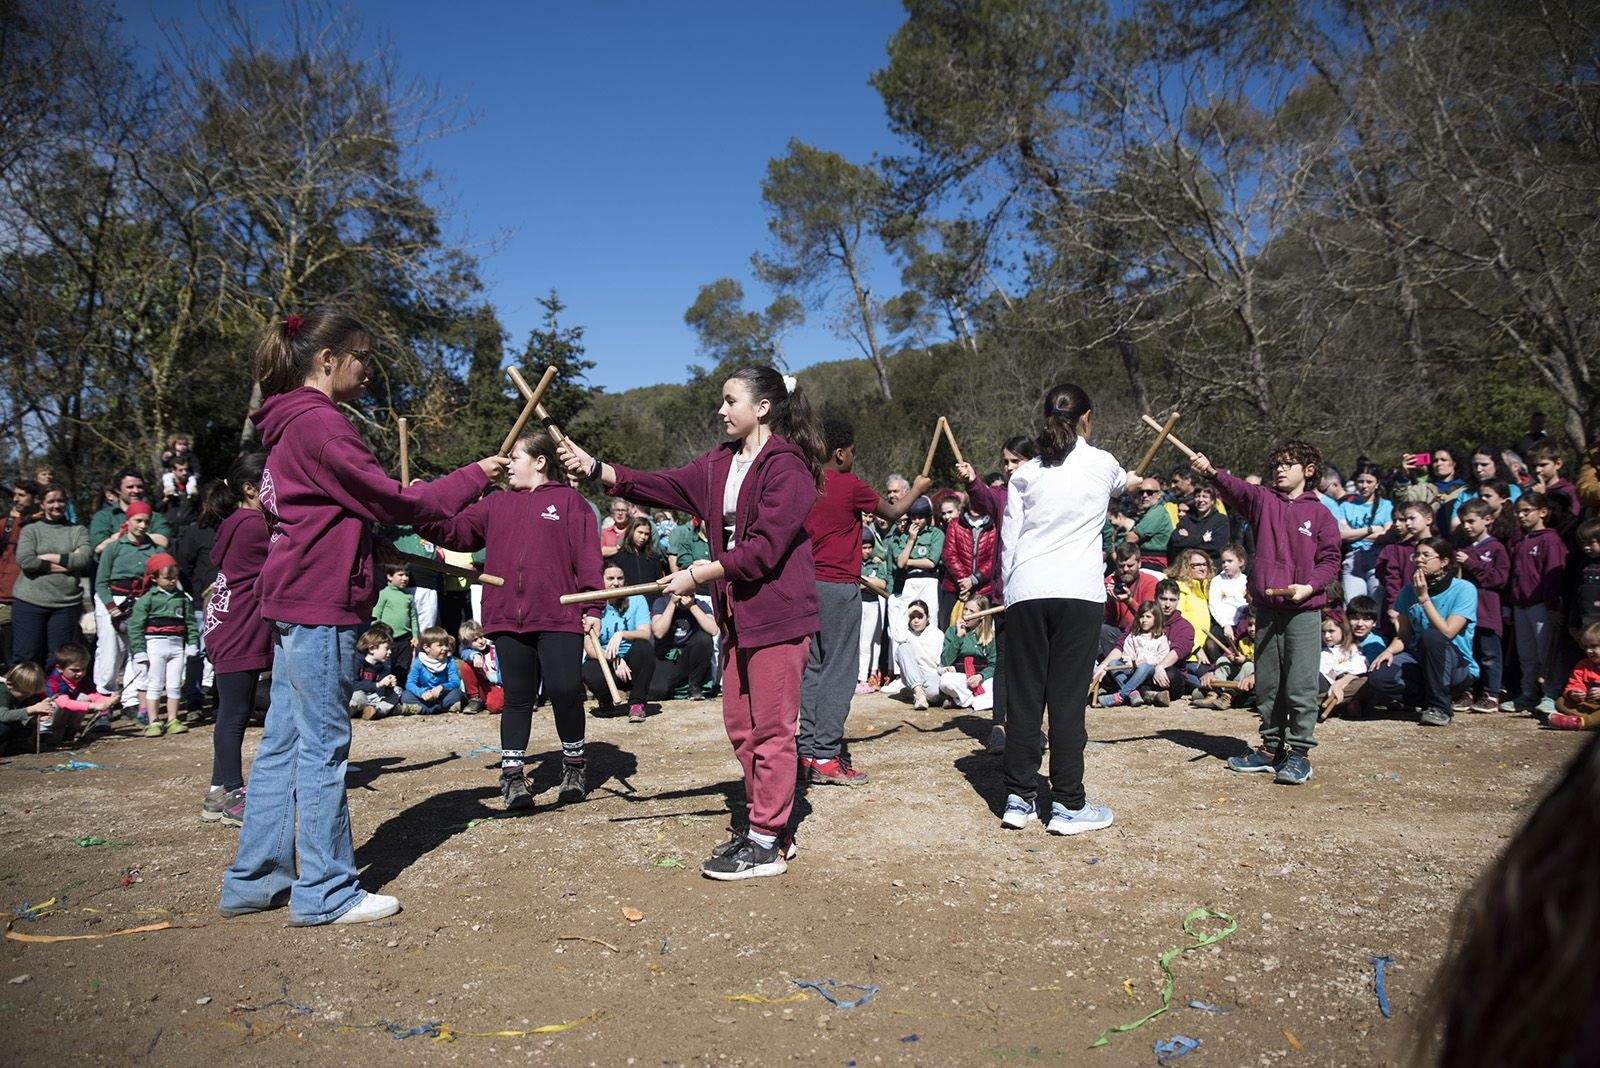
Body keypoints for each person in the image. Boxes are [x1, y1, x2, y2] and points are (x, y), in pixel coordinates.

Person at [221, 308, 505, 927]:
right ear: (328, 360)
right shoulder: (321, 427)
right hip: (319, 604)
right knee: (324, 746)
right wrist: (473, 477)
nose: (370, 370)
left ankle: (255, 878)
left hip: (298, 596)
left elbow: (322, 513)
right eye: (363, 357)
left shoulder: (289, 427)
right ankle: (324, 889)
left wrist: (365, 543)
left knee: (282, 745)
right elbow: (393, 499)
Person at [558, 365, 824, 880]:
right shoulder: (720, 463)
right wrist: (596, 468)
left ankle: (768, 839)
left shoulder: (787, 468)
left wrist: (703, 572)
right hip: (737, 615)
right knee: (740, 726)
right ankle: (766, 826)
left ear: (762, 408)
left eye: (730, 401)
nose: (721, 411)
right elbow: (662, 485)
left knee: (772, 729)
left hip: (778, 613)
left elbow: (767, 549)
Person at [416, 431, 602, 809]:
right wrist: (415, 513)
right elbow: (452, 531)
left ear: (539, 462)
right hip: (506, 616)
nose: (507, 464)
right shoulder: (495, 504)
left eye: (514, 457)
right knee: (517, 696)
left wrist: (593, 609)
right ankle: (514, 776)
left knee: (566, 689)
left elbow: (587, 558)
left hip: (559, 612)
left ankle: (575, 765)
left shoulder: (570, 502)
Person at [997, 382, 1138, 836]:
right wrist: (1128, 482)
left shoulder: (1025, 474)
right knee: (1066, 698)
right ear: (1087, 418)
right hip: (1077, 592)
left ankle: (1018, 798)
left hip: (1026, 588)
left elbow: (1009, 541)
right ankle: (1068, 804)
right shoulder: (1103, 463)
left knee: (1024, 696)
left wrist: (1008, 592)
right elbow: (1123, 483)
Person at [1190, 439, 1340, 785]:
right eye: (1277, 464)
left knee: (1300, 685)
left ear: (1310, 471)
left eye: (1289, 464)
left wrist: (1310, 586)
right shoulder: (1263, 501)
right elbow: (1237, 488)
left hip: (1303, 611)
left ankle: (1299, 753)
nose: (1280, 469)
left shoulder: (1321, 514)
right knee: (1269, 683)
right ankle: (1271, 749)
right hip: (1267, 611)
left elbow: (1330, 560)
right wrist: (1211, 472)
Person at [797, 418, 930, 786]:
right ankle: (825, 756)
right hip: (839, 588)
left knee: (813, 670)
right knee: (840, 671)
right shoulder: (848, 483)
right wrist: (916, 488)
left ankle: (807, 751)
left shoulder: (803, 483)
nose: (854, 457)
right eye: (853, 451)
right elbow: (889, 513)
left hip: (807, 587)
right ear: (840, 453)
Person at [201, 453, 273, 825]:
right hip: (238, 630)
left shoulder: (237, 522)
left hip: (227, 626)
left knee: (235, 710)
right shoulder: (252, 526)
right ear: (250, 488)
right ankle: (232, 791)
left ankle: (216, 791)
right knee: (234, 714)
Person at [955, 434, 1038, 755]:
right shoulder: (1001, 496)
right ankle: (1000, 725)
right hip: (1004, 593)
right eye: (1005, 462)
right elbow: (981, 499)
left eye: (1016, 461)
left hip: (1039, 591)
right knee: (1004, 660)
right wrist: (973, 480)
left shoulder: (1047, 493)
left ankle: (1030, 725)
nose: (1008, 467)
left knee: (1033, 663)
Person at [1364, 537, 1479, 726]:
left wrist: (1424, 598)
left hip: (1456, 667)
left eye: (1426, 555)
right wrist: (1388, 651)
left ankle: (1440, 708)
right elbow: (1404, 635)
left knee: (1432, 636)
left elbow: (1448, 632)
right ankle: (1428, 700)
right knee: (1379, 676)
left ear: (1444, 562)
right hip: (1419, 661)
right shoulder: (1408, 590)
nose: (1419, 559)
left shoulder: (1464, 589)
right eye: (1416, 555)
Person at [10, 487, 90, 669]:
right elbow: (26, 561)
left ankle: (54, 696)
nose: (56, 505)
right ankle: (25, 697)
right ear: (42, 503)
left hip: (65, 605)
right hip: (29, 602)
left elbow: (83, 559)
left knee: (58, 659)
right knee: (26, 656)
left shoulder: (77, 531)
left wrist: (46, 557)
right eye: (51, 501)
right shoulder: (31, 530)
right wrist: (68, 562)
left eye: (61, 501)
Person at [95, 499, 162, 714]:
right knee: (111, 651)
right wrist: (111, 607)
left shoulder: (154, 548)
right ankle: (104, 698)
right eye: (138, 520)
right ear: (128, 520)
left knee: (138, 651)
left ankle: (132, 700)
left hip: (141, 602)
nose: (142, 526)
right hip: (113, 599)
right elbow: (101, 581)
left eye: (146, 521)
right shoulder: (114, 547)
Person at [1507, 491, 1568, 715]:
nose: (1521, 516)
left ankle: (1551, 694)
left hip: (1542, 605)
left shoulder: (1550, 540)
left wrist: (1552, 606)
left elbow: (1553, 577)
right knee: (1527, 654)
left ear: (1542, 512)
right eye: (1518, 512)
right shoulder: (1522, 541)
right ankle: (1527, 693)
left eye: (1526, 511)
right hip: (1521, 605)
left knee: (1547, 652)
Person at [128, 553, 198, 737]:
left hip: (176, 646)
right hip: (154, 646)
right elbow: (135, 627)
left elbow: (190, 623)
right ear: (154, 578)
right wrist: (139, 651)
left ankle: (173, 719)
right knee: (155, 684)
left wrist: (193, 643)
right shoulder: (147, 599)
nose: (172, 581)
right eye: (167, 578)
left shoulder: (183, 598)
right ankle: (153, 721)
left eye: (175, 577)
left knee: (175, 684)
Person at [1454, 499, 1510, 713]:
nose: (1466, 526)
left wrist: (1470, 563)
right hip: (1465, 613)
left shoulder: (1496, 548)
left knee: (1489, 655)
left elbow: (1499, 579)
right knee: (1467, 654)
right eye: (1463, 522)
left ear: (1487, 520)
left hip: (1487, 611)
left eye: (1470, 521)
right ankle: (1468, 692)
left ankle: (1492, 694)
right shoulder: (1464, 548)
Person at [583, 562, 656, 722]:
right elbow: (589, 648)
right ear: (601, 580)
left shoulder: (637, 599)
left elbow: (645, 633)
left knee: (644, 648)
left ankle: (637, 704)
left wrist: (621, 634)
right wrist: (615, 659)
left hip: (632, 663)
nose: (615, 583)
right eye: (610, 578)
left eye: (620, 578)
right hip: (604, 660)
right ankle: (606, 701)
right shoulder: (591, 606)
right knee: (588, 669)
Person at [1092, 600, 1168, 708]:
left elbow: (1162, 656)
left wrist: (1147, 661)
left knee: (1145, 667)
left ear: (1156, 619)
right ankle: (1133, 694)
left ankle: (1120, 696)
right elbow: (1127, 655)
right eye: (1142, 616)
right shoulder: (1133, 636)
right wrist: (1133, 662)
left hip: (1150, 670)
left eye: (1148, 617)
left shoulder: (1161, 638)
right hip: (1133, 668)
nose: (1144, 620)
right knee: (1113, 663)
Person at [1336, 461, 1393, 604]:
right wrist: (1371, 529)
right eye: (1360, 481)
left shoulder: (1386, 506)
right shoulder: (1345, 506)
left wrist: (1354, 534)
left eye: (1369, 481)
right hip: (1352, 560)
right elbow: (1342, 535)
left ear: (1377, 483)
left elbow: (1387, 535)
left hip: (1377, 561)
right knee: (1352, 605)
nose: (1364, 485)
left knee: (1376, 606)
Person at [648, 589, 717, 700]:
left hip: (691, 655)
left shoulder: (700, 604)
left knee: (704, 638)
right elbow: (659, 632)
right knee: (657, 691)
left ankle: (694, 686)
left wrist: (692, 607)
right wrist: (672, 603)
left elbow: (713, 630)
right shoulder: (661, 603)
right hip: (668, 655)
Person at [1376, 500, 1434, 631]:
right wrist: (1393, 606)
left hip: (1435, 607)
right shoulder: (1399, 549)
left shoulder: (1440, 545)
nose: (1407, 523)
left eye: (1412, 518)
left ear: (1428, 519)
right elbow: (1392, 580)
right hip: (1404, 609)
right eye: (1406, 519)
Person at [0, 480, 39, 666]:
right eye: (14, 495)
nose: (16, 499)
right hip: (6, 598)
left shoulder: (45, 526)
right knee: (10, 654)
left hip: (35, 597)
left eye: (22, 495)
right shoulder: (6, 525)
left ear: (36, 499)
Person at [936, 594, 997, 711]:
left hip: (980, 677)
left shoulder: (989, 634)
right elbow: (945, 661)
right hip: (961, 676)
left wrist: (980, 676)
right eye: (965, 609)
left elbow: (993, 664)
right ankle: (974, 699)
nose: (966, 614)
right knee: (945, 681)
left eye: (971, 611)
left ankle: (963, 699)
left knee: (996, 685)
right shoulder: (952, 631)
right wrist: (959, 637)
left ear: (981, 616)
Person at [45, 642, 115, 740]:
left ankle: (71, 729)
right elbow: (63, 703)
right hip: (50, 717)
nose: (80, 673)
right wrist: (94, 706)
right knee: (54, 703)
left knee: (84, 696)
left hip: (62, 717)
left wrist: (108, 700)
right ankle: (45, 731)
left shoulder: (81, 678)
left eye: (83, 669)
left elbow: (92, 694)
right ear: (59, 668)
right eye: (75, 670)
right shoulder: (53, 680)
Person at [891, 598, 945, 710]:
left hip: (931, 673)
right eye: (912, 617)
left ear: (927, 618)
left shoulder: (937, 634)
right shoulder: (907, 633)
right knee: (902, 648)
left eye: (920, 617)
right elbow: (898, 637)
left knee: (934, 695)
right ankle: (919, 693)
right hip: (912, 673)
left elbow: (939, 662)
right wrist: (906, 614)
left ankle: (910, 692)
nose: (916, 621)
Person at [1546, 622, 1600, 730]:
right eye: (1586, 647)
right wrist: (1574, 693)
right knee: (1561, 702)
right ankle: (1592, 721)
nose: (1589, 651)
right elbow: (1574, 683)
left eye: (1594, 646)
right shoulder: (1583, 665)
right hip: (1589, 705)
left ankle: (1582, 723)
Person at [857, 529, 892, 693]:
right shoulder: (853, 563)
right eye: (864, 547)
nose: (867, 551)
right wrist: (871, 582)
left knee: (868, 641)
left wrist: (863, 581)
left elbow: (882, 584)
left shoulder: (876, 564)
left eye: (870, 547)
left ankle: (864, 678)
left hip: (872, 604)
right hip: (857, 604)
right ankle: (857, 676)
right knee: (856, 641)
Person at [371, 564, 418, 679]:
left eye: (407, 575)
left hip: (405, 640)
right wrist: (377, 634)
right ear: (389, 576)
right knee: (385, 667)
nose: (405, 578)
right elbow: (376, 615)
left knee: (403, 667)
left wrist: (415, 635)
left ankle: (400, 691)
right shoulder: (383, 594)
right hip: (387, 639)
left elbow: (413, 618)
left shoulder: (409, 596)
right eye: (400, 575)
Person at [1317, 612, 1367, 719]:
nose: (1326, 636)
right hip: (1324, 686)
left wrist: (1338, 675)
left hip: (1344, 684)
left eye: (1331, 631)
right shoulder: (1321, 651)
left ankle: (1315, 705)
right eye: (1323, 632)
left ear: (1343, 630)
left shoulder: (1351, 648)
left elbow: (1360, 666)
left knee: (1364, 682)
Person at [1167, 482, 1230, 565]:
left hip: (1210, 568)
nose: (1200, 500)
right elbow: (1175, 542)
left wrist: (1188, 538)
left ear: (1212, 501)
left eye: (1205, 497)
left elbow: (1217, 547)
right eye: (1197, 496)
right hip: (1186, 568)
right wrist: (1203, 539)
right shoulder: (1186, 520)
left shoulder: (1221, 520)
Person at [350, 628, 404, 718]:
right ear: (372, 649)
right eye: (386, 649)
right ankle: (354, 710)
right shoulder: (356, 662)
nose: (390, 652)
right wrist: (378, 684)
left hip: (373, 699)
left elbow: (381, 693)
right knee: (358, 696)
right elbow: (353, 685)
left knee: (397, 690)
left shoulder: (383, 666)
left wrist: (389, 687)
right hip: (358, 696)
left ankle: (375, 711)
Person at [0, 662, 52, 754]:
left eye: (30, 694)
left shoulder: (19, 693)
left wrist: (35, 718)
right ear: (9, 684)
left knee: (23, 728)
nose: (27, 697)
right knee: (5, 727)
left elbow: (19, 717)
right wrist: (32, 709)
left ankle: (13, 747)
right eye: (24, 693)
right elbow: (3, 716)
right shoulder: (2, 691)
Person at [1122, 477, 1173, 570]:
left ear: (1159, 495)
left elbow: (1131, 538)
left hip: (1153, 562)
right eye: (1141, 492)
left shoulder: (1157, 512)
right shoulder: (1150, 511)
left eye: (1149, 492)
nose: (1144, 495)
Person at [456, 619, 504, 714]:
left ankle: (490, 701)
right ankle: (475, 699)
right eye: (475, 640)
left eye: (481, 637)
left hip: (495, 686)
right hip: (482, 687)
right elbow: (464, 653)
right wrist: (475, 656)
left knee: (494, 707)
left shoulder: (495, 650)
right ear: (467, 643)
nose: (481, 641)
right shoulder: (469, 653)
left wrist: (494, 678)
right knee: (465, 666)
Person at [1528, 442, 1581, 516]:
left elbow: (1571, 519)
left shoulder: (1569, 491)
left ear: (1558, 464)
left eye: (1543, 465)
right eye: (1534, 466)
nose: (1537, 470)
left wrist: (1543, 497)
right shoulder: (1530, 492)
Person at [613, 516, 665, 587]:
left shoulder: (653, 557)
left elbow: (659, 580)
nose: (643, 537)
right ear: (632, 531)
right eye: (640, 532)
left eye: (646, 534)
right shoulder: (619, 557)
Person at [1209, 544, 1249, 634]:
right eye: (1223, 562)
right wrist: (1225, 625)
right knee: (1212, 644)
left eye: (1229, 561)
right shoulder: (1217, 581)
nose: (1225, 565)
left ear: (1241, 562)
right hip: (1223, 624)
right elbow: (1214, 605)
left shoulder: (1246, 581)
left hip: (1243, 624)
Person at [1346, 596, 1387, 663]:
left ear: (1374, 623)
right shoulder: (1342, 636)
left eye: (1366, 619)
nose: (1359, 624)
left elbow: (1362, 666)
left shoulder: (1376, 645)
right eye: (1355, 618)